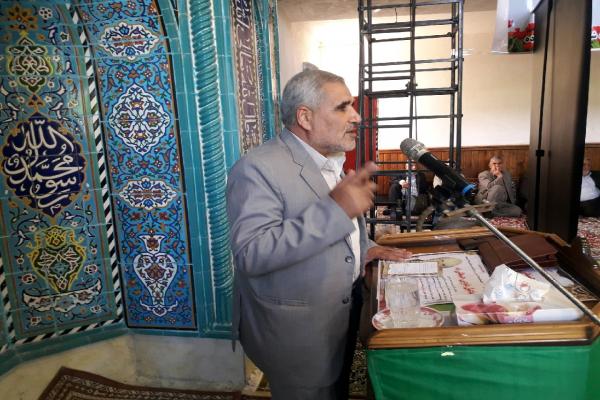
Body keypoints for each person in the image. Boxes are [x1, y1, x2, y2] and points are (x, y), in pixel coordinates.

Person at [226, 69, 411, 400]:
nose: (356, 117)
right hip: (297, 331)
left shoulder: (327, 159)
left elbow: (333, 227)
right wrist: (336, 209)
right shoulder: (257, 168)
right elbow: (252, 253)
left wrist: (364, 247)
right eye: (343, 107)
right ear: (305, 117)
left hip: (340, 313)